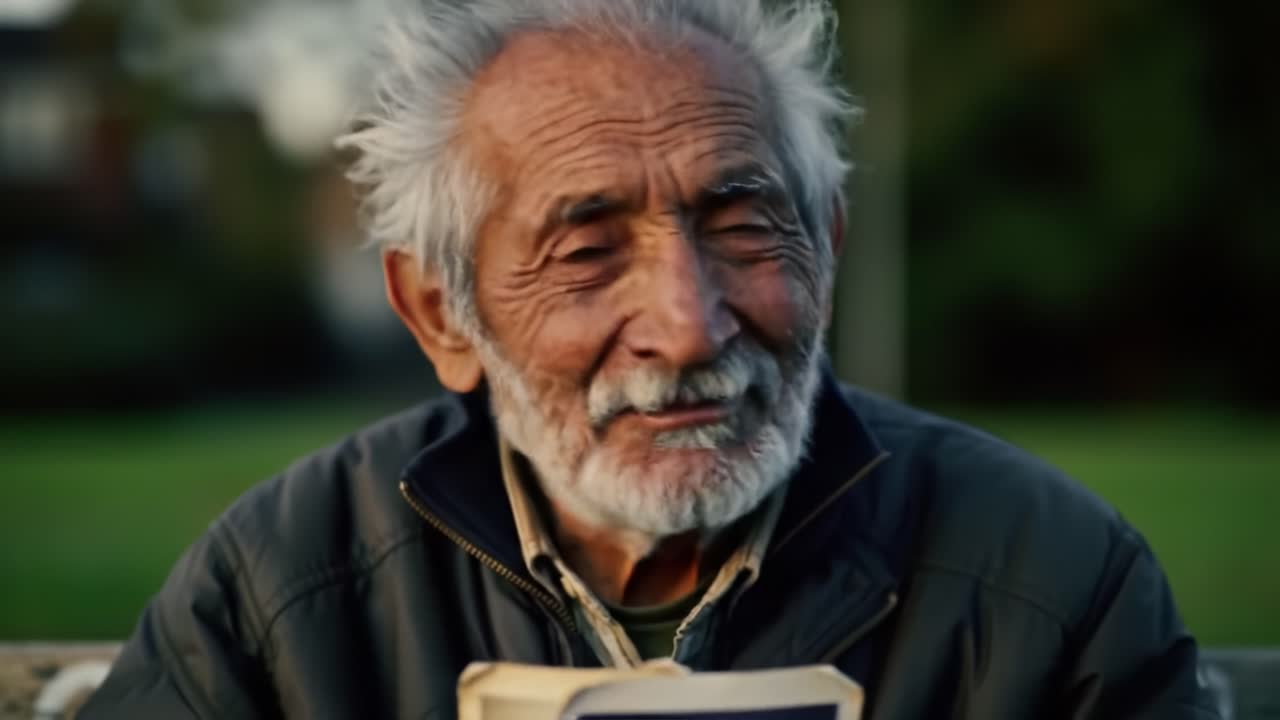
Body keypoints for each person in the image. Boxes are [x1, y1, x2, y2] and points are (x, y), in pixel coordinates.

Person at [80, 1, 1219, 717]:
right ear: (439, 314)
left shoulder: (1051, 576)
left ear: (822, 244)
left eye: (741, 227)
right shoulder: (282, 587)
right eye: (584, 250)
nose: (687, 323)